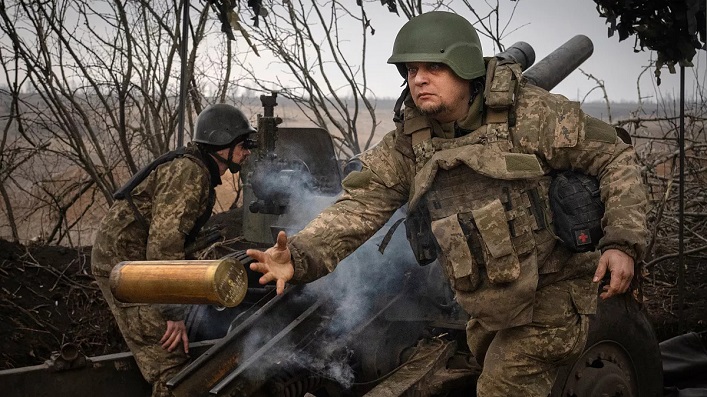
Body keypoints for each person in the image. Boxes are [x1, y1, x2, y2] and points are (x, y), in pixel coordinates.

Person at [247, 11, 648, 397]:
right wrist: (298, 256)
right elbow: (357, 208)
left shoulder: (531, 114)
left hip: (555, 290)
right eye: (410, 70)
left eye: (432, 68)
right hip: (491, 305)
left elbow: (614, 157)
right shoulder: (410, 143)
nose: (418, 79)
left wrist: (622, 242)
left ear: (465, 67)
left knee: (502, 387)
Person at [91, 103, 255, 397]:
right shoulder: (189, 172)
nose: (246, 153)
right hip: (126, 268)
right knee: (170, 366)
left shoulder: (196, 169)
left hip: (138, 262)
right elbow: (163, 246)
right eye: (242, 146)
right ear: (221, 144)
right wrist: (173, 313)